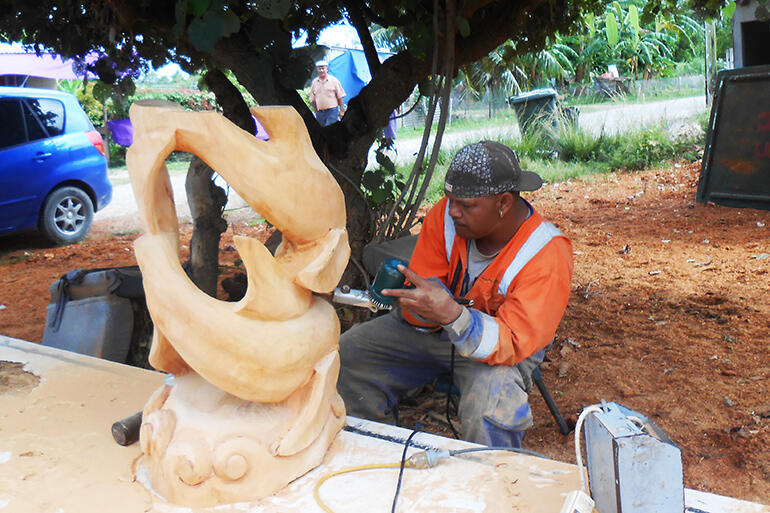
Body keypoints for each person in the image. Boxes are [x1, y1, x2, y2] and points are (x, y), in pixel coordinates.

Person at [337, 140, 573, 448]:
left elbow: (512, 342)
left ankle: (496, 479)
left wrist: (453, 315)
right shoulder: (446, 218)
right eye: (450, 200)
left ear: (503, 203)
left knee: (491, 404)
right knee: (349, 354)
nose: (453, 212)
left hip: (502, 353)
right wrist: (419, 307)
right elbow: (420, 313)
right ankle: (377, 453)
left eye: (466, 205)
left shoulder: (546, 253)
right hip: (439, 332)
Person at [309, 60, 346, 127]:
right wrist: (316, 111)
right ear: (317, 70)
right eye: (319, 69)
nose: (321, 70)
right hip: (320, 112)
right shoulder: (314, 82)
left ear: (327, 69)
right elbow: (313, 99)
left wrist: (341, 111)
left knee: (330, 129)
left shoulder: (334, 81)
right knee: (322, 130)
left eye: (323, 68)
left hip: (332, 111)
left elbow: (340, 96)